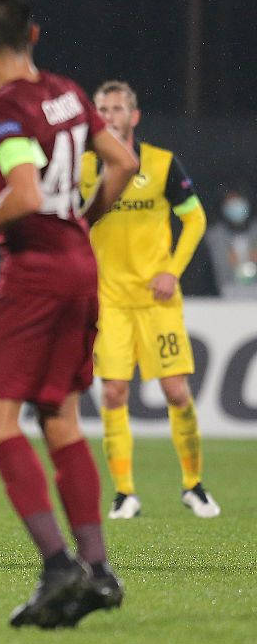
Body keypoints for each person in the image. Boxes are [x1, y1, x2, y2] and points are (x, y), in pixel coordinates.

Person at [0, 0, 138, 628]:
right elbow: (123, 161)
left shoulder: (5, 111)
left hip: (35, 272)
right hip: (79, 266)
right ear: (35, 35)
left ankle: (58, 566)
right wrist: (85, 219)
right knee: (60, 419)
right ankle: (98, 570)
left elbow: (23, 193)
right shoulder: (68, 93)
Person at [82, 80, 219, 520]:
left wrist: (171, 271)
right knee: (113, 393)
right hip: (108, 301)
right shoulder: (84, 167)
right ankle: (124, 493)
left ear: (134, 116)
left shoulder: (160, 164)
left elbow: (195, 220)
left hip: (157, 300)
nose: (110, 116)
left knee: (176, 391)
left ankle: (193, 485)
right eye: (103, 109)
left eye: (118, 108)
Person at [205, 189, 257, 299]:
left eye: (238, 201)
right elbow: (219, 268)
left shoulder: (254, 230)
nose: (235, 206)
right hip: (228, 291)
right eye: (230, 203)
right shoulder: (215, 236)